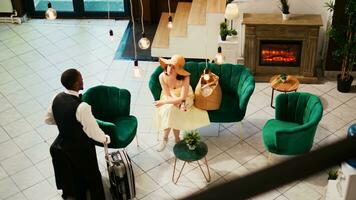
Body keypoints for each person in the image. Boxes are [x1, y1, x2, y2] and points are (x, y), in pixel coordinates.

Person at [45, 68, 110, 200]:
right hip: (82, 149)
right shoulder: (82, 107)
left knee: (74, 175)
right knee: (93, 177)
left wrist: (66, 124)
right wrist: (105, 139)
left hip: (63, 146)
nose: (83, 80)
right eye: (81, 79)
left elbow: (48, 119)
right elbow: (93, 132)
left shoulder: (56, 98)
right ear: (76, 84)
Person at [154, 55, 210, 152]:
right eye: (169, 65)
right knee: (171, 110)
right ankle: (170, 139)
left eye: (173, 67)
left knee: (172, 110)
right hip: (170, 96)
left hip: (186, 97)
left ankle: (168, 139)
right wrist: (177, 104)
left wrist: (163, 102)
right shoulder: (162, 76)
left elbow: (183, 97)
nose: (170, 69)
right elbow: (167, 95)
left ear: (178, 70)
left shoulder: (185, 77)